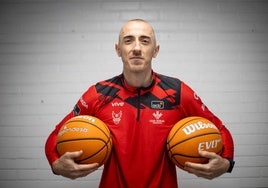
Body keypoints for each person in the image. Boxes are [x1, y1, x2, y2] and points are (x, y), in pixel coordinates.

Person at [45, 19, 235, 188]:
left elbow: (219, 128)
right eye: (128, 40)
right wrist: (55, 163)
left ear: (155, 50)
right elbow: (56, 134)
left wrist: (226, 162)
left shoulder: (176, 92)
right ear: (118, 50)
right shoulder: (99, 93)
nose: (137, 48)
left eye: (145, 41)